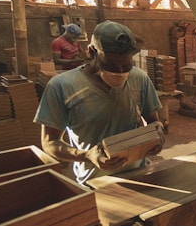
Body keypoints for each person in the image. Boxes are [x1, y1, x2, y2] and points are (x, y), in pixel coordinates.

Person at [35, 20, 163, 186]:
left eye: (126, 66)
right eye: (110, 65)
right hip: (95, 182)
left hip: (139, 173)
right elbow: (49, 143)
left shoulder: (139, 79)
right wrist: (86, 155)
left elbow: (154, 121)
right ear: (91, 52)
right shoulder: (62, 86)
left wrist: (157, 133)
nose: (120, 72)